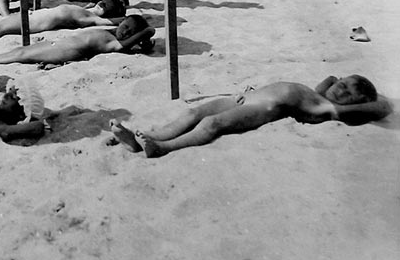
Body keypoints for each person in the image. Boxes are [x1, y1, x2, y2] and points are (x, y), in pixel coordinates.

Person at [108, 75, 391, 158]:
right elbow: (328, 81)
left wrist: (378, 100)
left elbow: (376, 108)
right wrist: (337, 81)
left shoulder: (330, 109)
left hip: (264, 109)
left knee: (212, 123)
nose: (339, 90)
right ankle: (146, 138)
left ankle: (163, 148)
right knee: (195, 111)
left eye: (346, 93)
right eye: (341, 84)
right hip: (247, 96)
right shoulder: (321, 93)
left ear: (355, 103)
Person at [0, 14, 154, 67]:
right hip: (60, 45)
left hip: (64, 51)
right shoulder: (111, 33)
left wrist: (147, 31)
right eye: (124, 25)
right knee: (21, 51)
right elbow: (120, 28)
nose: (123, 31)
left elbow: (143, 34)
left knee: (22, 54)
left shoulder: (114, 44)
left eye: (129, 31)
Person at [0, 0, 126, 44]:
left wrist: (122, 17)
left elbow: (111, 23)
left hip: (35, 24)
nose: (102, 6)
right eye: (103, 2)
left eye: (105, 7)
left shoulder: (91, 18)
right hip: (34, 17)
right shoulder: (87, 9)